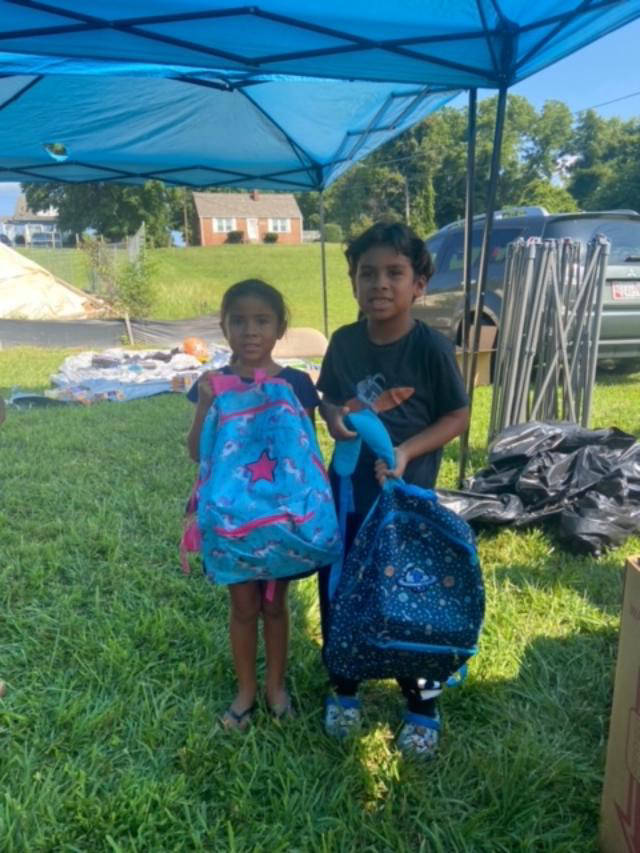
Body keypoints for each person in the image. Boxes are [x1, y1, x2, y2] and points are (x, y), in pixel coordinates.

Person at [317, 221, 470, 758]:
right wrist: (333, 419)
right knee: (341, 589)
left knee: (415, 597)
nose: (379, 283)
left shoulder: (431, 347)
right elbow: (329, 399)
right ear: (354, 282)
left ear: (419, 285)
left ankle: (422, 703)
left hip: (408, 507)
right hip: (350, 498)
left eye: (394, 273)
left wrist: (405, 452)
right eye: (367, 273)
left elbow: (457, 415)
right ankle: (344, 685)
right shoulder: (343, 343)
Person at [186, 279, 320, 731]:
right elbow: (195, 452)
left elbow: (305, 454)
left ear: (280, 327)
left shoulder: (296, 383)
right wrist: (204, 404)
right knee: (243, 606)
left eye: (262, 320)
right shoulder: (212, 384)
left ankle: (274, 687)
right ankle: (245, 690)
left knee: (276, 607)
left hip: (280, 520)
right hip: (231, 521)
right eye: (239, 321)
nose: (250, 331)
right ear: (224, 327)